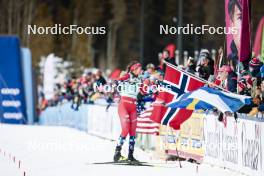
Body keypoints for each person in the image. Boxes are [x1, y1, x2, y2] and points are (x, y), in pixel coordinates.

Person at [113, 61, 142, 163]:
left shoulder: (139, 79)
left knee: (133, 132)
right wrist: (118, 81)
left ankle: (130, 155)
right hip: (124, 105)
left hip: (133, 106)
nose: (141, 70)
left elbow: (143, 91)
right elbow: (119, 80)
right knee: (125, 129)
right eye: (139, 68)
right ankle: (117, 154)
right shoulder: (128, 75)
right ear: (134, 69)